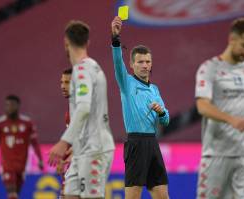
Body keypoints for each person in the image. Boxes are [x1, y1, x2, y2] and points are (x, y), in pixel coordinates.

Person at [48, 20, 115, 199]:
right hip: (82, 150)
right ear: (88, 43)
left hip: (94, 149)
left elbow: (84, 109)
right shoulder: (91, 67)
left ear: (66, 42)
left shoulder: (83, 71)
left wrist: (64, 142)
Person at [111, 16, 170, 199]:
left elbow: (166, 120)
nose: (145, 65)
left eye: (147, 62)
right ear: (131, 64)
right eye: (140, 62)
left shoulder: (154, 89)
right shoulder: (126, 83)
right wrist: (115, 39)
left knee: (162, 195)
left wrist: (161, 112)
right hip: (136, 144)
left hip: (152, 143)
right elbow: (117, 63)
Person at [195, 17, 244, 199]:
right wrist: (231, 119)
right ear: (232, 39)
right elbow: (203, 106)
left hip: (243, 155)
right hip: (217, 155)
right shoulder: (209, 69)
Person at [0, 95, 43, 199]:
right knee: (12, 194)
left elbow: (34, 143)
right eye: (7, 105)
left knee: (16, 194)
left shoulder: (27, 123)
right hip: (7, 166)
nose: (9, 107)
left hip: (22, 166)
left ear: (18, 106)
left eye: (12, 105)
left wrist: (40, 159)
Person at [57, 68, 73, 199]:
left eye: (67, 82)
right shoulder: (69, 112)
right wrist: (63, 160)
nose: (63, 86)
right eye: (62, 82)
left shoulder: (84, 108)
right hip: (73, 164)